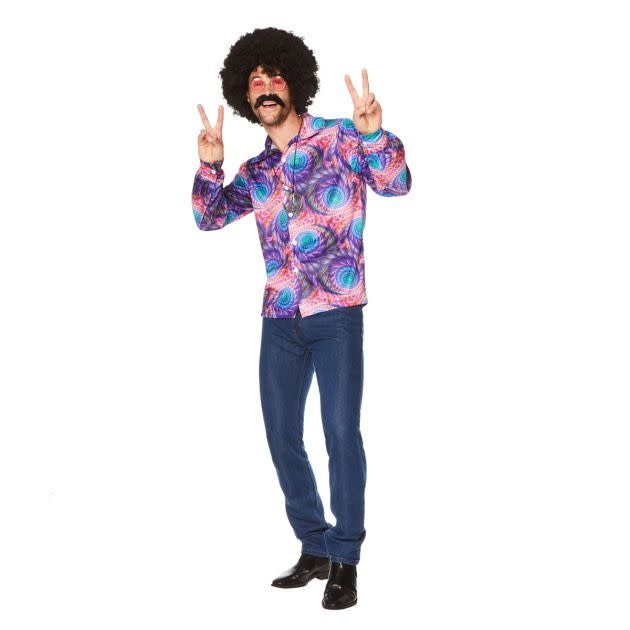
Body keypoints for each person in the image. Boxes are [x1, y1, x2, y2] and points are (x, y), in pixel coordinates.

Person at [191, 26, 412, 610]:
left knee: (340, 433)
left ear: (295, 83)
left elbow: (396, 184)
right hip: (279, 318)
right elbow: (209, 218)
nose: (265, 87)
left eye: (274, 76)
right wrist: (210, 166)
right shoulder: (257, 170)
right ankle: (314, 545)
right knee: (281, 435)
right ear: (245, 95)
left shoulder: (341, 138)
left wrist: (375, 134)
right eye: (254, 81)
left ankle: (346, 559)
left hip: (336, 315)